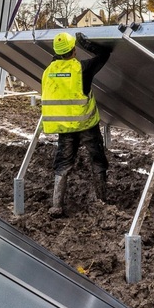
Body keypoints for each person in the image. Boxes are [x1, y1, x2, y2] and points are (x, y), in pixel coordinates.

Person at [41, 31, 112, 216]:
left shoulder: (49, 71)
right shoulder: (82, 68)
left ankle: (56, 205)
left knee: (62, 164)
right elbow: (104, 55)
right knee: (98, 160)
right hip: (87, 126)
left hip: (65, 128)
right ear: (73, 49)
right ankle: (102, 201)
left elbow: (57, 61)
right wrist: (86, 44)